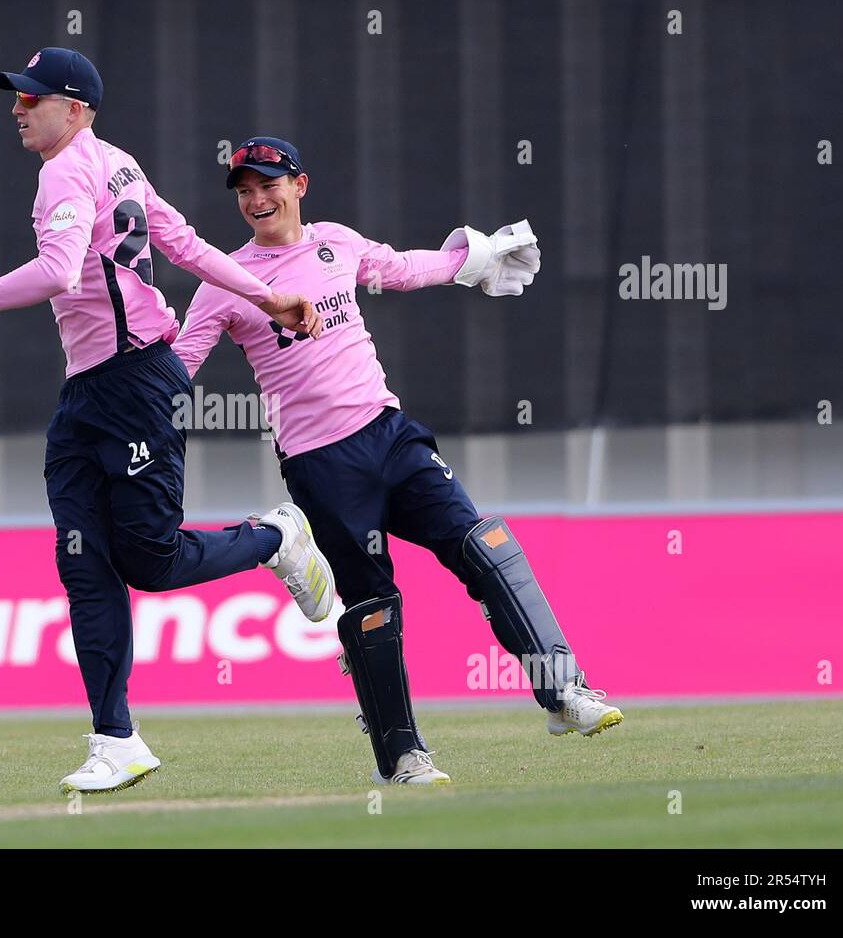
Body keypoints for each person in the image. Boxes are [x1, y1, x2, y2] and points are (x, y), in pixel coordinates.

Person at [0, 58, 336, 794]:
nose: (19, 108)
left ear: (74, 110)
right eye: (17, 96)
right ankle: (116, 739)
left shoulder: (66, 172)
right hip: (88, 396)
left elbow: (59, 270)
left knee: (149, 563)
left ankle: (277, 537)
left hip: (137, 382)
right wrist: (267, 296)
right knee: (83, 564)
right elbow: (189, 245)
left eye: (32, 97)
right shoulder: (118, 165)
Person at [172, 137, 623, 786]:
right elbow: (180, 367)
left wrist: (475, 255)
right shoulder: (226, 279)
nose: (255, 199)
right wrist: (127, 393)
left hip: (390, 435)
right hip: (321, 465)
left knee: (486, 545)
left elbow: (405, 268)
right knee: (375, 607)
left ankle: (563, 692)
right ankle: (403, 758)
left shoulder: (334, 242)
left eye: (267, 184)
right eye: (243, 189)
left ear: (299, 184)